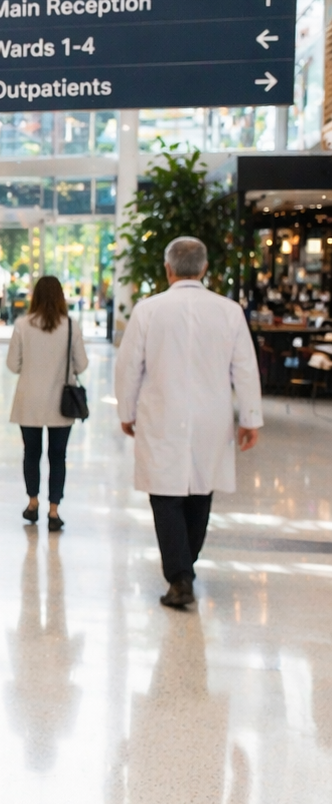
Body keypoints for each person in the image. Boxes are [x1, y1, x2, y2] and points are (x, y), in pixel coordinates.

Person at [116, 236, 262, 609]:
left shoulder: (149, 310)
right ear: (204, 269)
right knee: (201, 490)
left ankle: (180, 574)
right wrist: (250, 418)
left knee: (164, 495)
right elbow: (245, 367)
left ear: (168, 269)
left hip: (162, 413)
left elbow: (129, 366)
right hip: (211, 416)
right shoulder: (228, 311)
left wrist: (126, 411)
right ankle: (184, 568)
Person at [6, 275, 87, 532]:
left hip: (28, 401)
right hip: (60, 404)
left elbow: (12, 365)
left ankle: (32, 503)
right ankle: (54, 510)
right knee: (58, 456)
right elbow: (82, 365)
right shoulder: (71, 326)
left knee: (31, 454)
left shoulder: (22, 324)